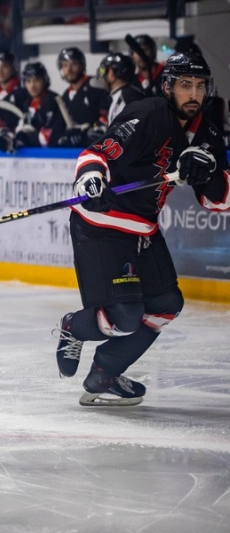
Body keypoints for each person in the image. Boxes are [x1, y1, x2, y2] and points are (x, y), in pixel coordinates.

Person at [54, 52, 230, 406]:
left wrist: (209, 173)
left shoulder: (208, 132)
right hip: (101, 226)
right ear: (168, 87)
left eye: (199, 86)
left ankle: (105, 372)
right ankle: (73, 326)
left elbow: (219, 201)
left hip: (143, 231)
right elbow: (97, 153)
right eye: (185, 85)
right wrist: (91, 179)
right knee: (126, 317)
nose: (193, 94)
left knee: (166, 304)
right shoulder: (147, 113)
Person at [56, 47, 110, 147]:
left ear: (82, 65)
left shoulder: (95, 86)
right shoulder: (65, 96)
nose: (69, 69)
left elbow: (106, 117)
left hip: (98, 149)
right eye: (65, 65)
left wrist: (86, 134)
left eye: (74, 64)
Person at [12, 62, 67, 149]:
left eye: (36, 80)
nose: (32, 85)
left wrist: (29, 137)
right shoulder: (26, 103)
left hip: (52, 155)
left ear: (45, 80)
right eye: (28, 81)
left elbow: (54, 135)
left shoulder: (54, 100)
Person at [96, 52, 145, 125]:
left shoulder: (124, 98)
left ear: (111, 73)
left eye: (103, 70)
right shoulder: (130, 94)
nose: (102, 76)